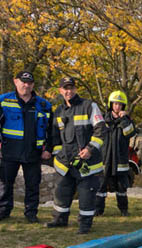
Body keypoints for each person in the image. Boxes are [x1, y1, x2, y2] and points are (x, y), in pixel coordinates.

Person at [46, 77, 106, 234]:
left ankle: (85, 225)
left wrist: (90, 149)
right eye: (65, 88)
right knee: (61, 193)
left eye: (71, 88)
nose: (68, 91)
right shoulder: (58, 111)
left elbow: (101, 130)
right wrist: (58, 155)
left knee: (86, 196)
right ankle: (59, 220)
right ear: (60, 90)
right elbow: (55, 137)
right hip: (65, 163)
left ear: (75, 89)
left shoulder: (89, 106)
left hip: (87, 163)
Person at [0, 71, 52, 223]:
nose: (26, 85)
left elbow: (52, 130)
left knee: (33, 184)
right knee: (6, 182)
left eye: (30, 82)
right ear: (15, 81)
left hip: (33, 151)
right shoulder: (4, 100)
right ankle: (3, 210)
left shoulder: (44, 105)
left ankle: (31, 213)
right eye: (23, 82)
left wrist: (48, 149)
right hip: (9, 149)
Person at [95, 90, 137, 217]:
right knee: (101, 187)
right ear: (111, 104)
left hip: (120, 160)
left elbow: (130, 133)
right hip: (104, 159)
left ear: (123, 106)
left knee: (121, 187)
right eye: (115, 104)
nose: (117, 106)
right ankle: (98, 210)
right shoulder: (103, 119)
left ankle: (123, 210)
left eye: (120, 104)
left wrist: (124, 119)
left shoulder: (127, 121)